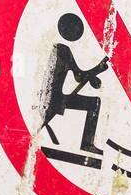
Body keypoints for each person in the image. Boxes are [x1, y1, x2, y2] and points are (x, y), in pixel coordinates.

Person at [42, 13, 105, 153]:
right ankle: (87, 143)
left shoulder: (56, 48)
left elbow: (79, 77)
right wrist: (98, 68)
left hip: (50, 97)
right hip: (56, 99)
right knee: (94, 103)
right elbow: (80, 77)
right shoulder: (64, 50)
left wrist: (96, 71)